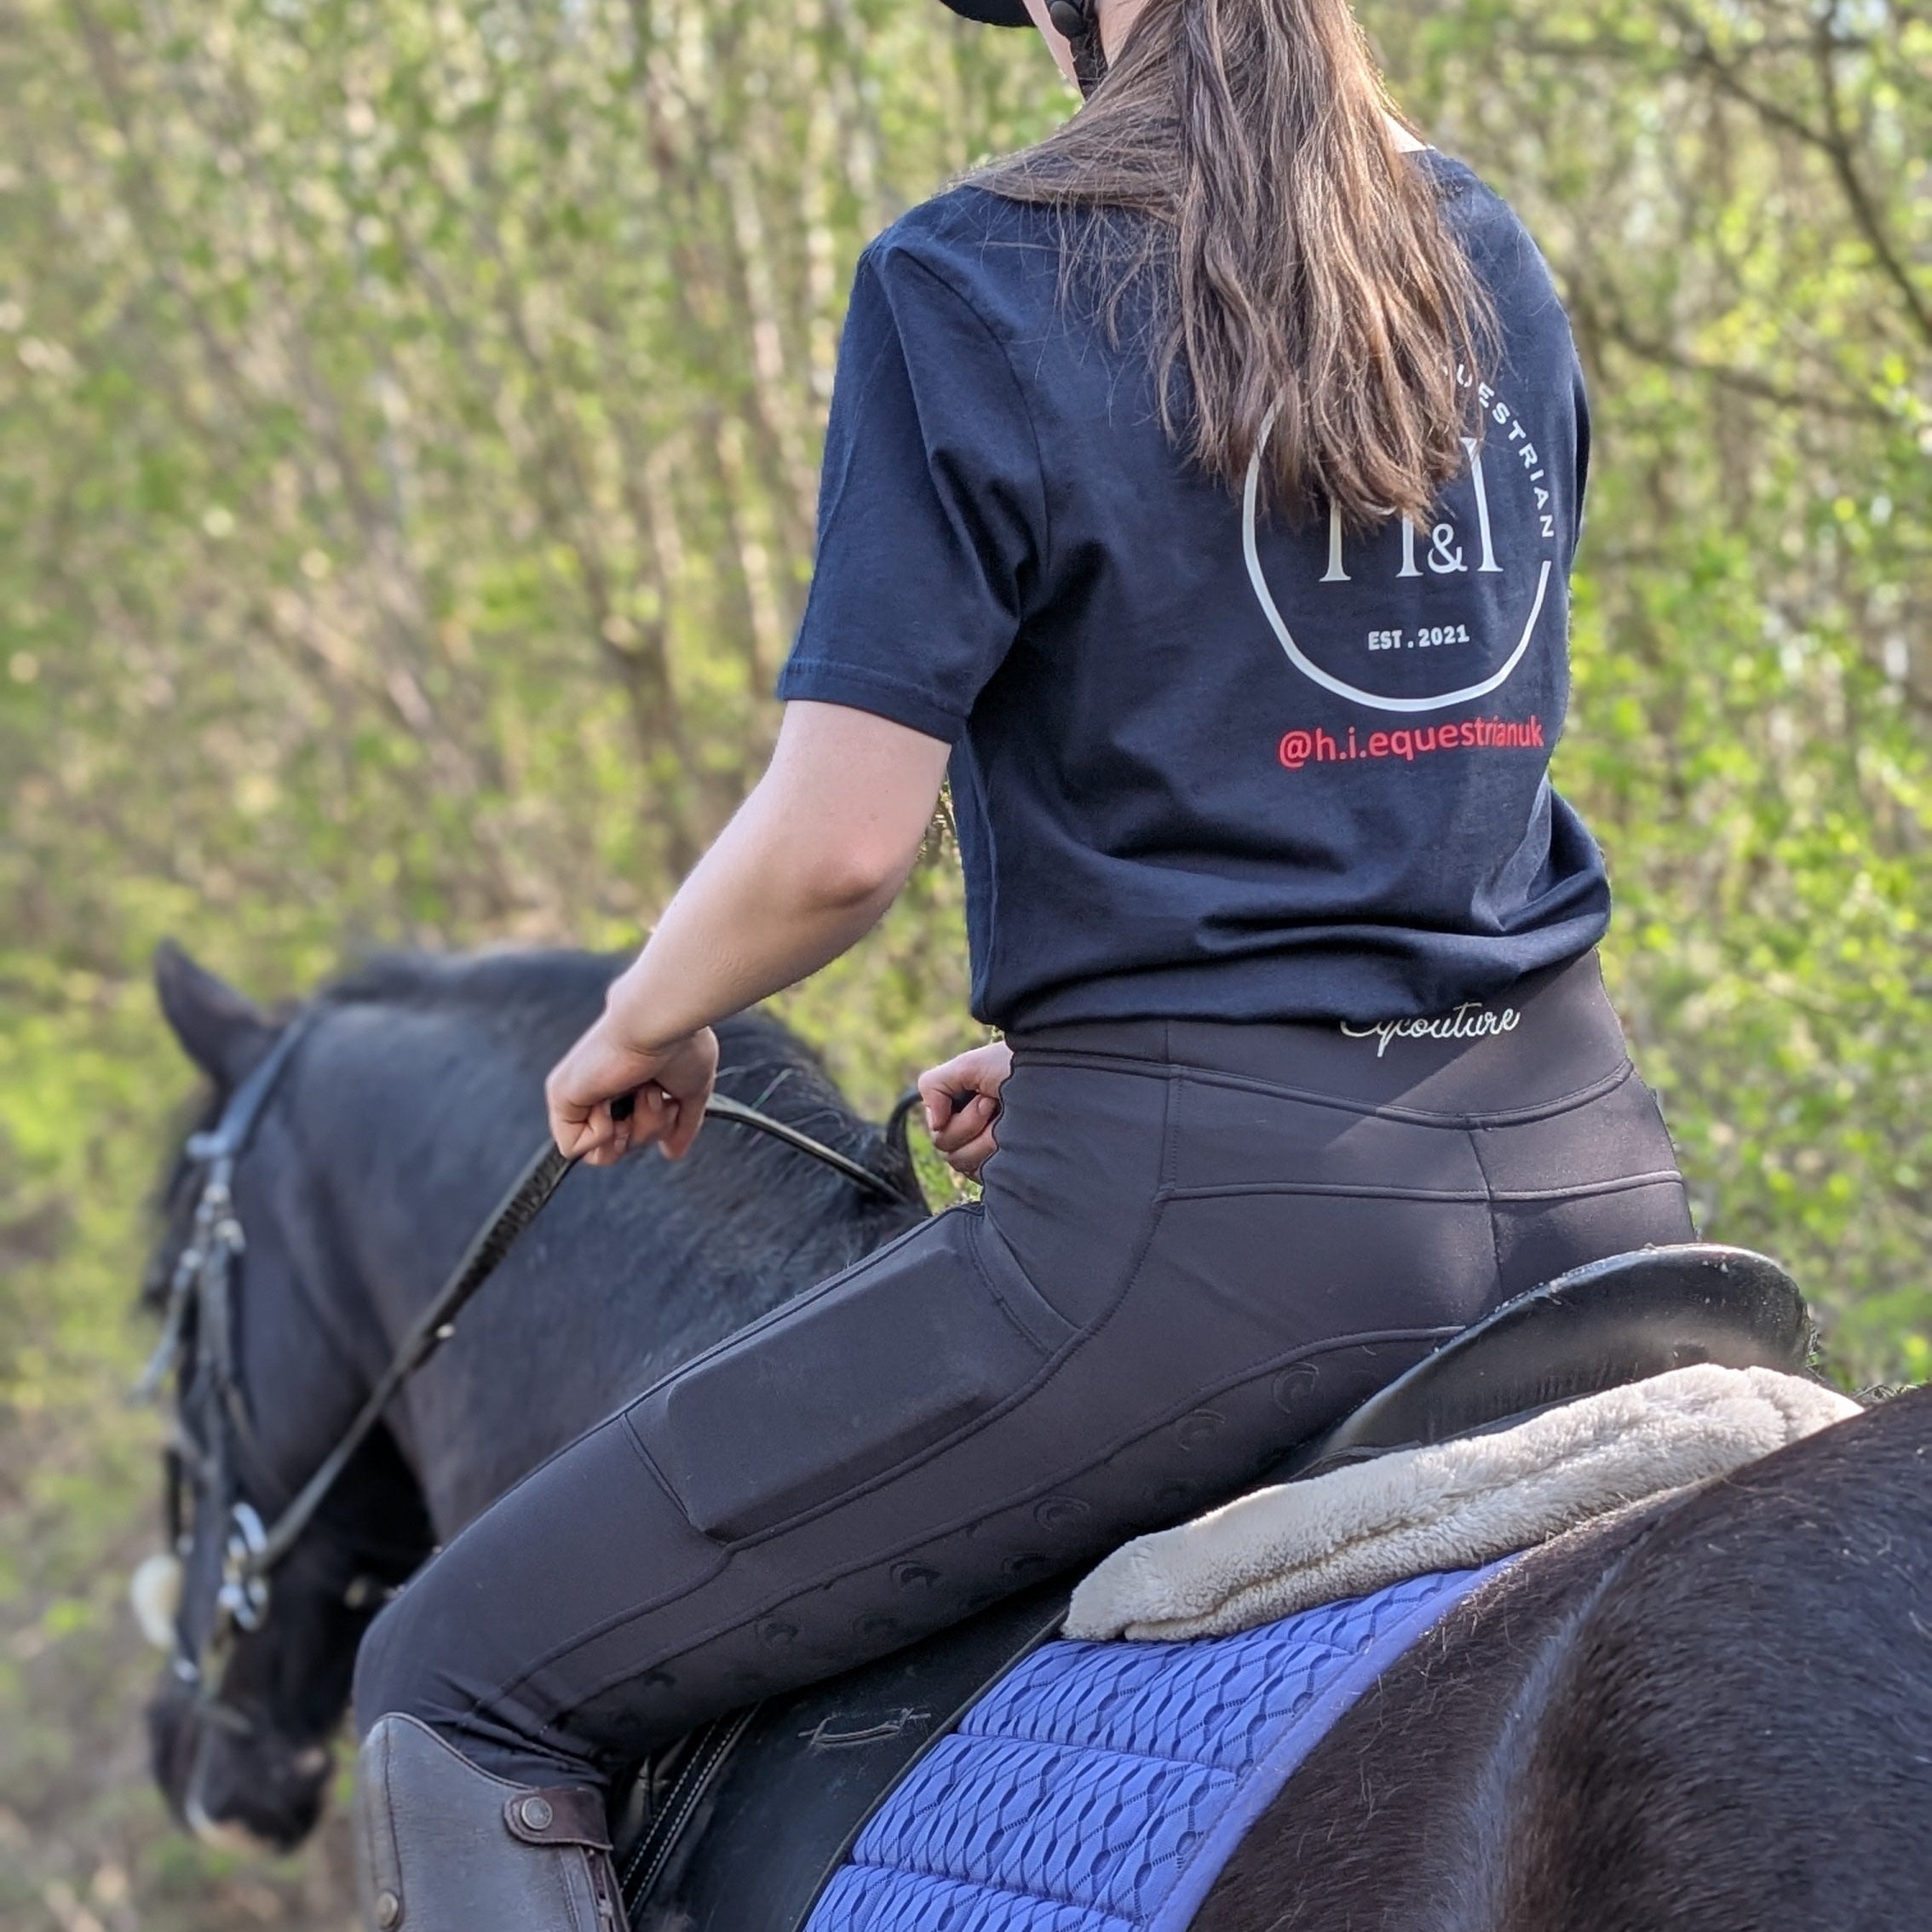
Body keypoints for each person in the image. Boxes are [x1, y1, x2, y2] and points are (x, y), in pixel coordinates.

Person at [348, 0, 1696, 1924]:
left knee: (452, 1677)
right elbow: (1434, 754)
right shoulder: (1480, 248)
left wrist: (649, 1013)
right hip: (1598, 1181)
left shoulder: (968, 279)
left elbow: (832, 851)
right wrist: (1119, 1027)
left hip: (1213, 1247)